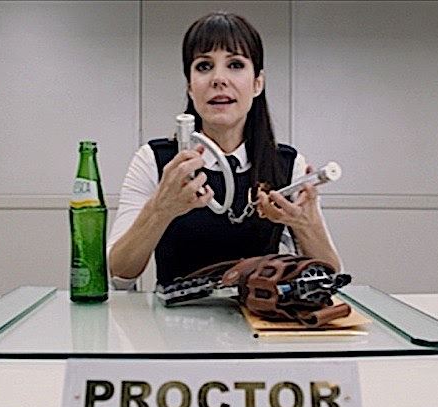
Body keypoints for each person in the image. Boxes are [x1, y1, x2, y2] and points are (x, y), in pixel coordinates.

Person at [107, 11, 341, 290]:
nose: (219, 79)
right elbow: (120, 273)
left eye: (235, 65)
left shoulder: (288, 165)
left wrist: (306, 225)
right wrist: (160, 209)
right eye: (204, 66)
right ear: (190, 86)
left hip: (259, 314)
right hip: (172, 316)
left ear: (257, 83)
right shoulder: (156, 161)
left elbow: (331, 277)